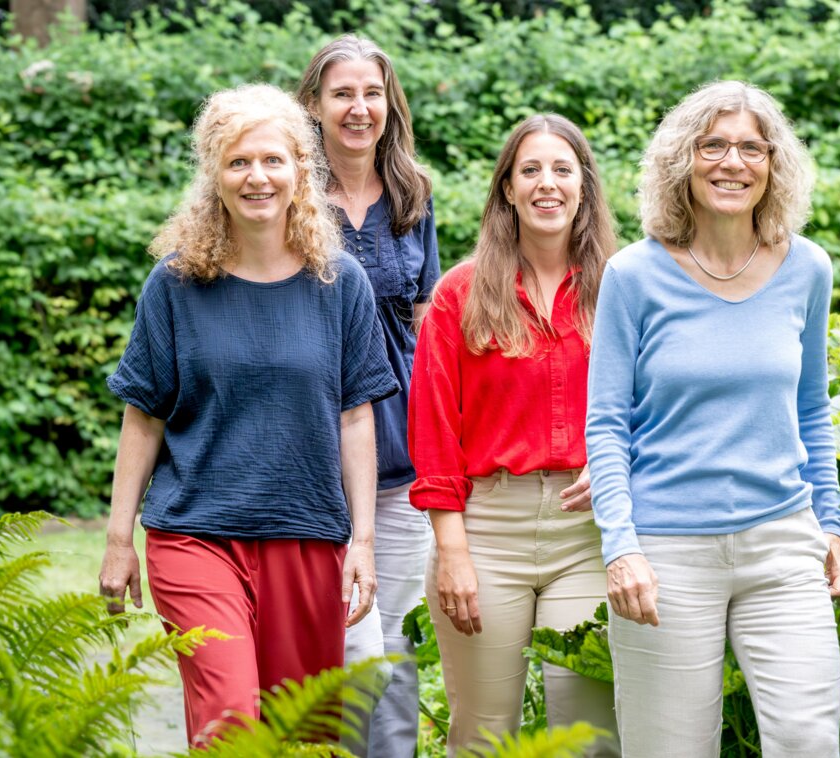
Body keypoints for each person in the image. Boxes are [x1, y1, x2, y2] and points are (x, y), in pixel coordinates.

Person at [97, 83, 399, 748]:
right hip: (195, 533)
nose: (256, 177)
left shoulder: (340, 283)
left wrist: (364, 544)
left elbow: (356, 418)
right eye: (238, 162)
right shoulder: (175, 284)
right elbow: (142, 417)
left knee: (300, 733)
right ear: (214, 175)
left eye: (272, 160)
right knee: (232, 721)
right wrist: (120, 539)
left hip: (307, 535)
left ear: (300, 170)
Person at [585, 80, 840, 757]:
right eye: (714, 145)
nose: (733, 162)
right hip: (667, 553)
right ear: (684, 161)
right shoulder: (632, 276)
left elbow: (812, 409)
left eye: (751, 148)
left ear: (773, 165)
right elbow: (607, 424)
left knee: (809, 742)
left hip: (784, 546)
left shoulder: (809, 268)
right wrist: (622, 547)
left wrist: (831, 522)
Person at [409, 114, 620, 757]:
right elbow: (435, 429)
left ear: (584, 186)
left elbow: (656, 405)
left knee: (588, 738)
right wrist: (453, 550)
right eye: (530, 170)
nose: (546, 184)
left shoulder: (623, 287)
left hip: (588, 533)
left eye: (563, 170)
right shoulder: (459, 294)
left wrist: (621, 466)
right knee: (481, 736)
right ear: (507, 188)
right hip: (486, 532)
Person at [296, 35, 440, 758]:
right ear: (314, 105)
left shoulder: (415, 194)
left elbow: (428, 330)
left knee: (394, 637)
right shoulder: (286, 192)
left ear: (391, 105)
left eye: (372, 93)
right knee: (330, 639)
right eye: (343, 94)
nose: (359, 108)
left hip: (402, 448)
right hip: (310, 448)